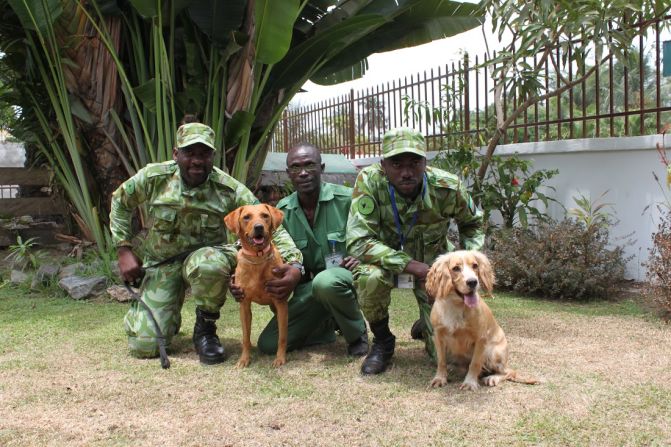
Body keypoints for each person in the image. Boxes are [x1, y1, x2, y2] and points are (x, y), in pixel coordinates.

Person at [109, 117, 303, 364]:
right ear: (176, 153)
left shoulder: (228, 188)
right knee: (145, 346)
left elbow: (264, 224)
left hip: (206, 260)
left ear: (213, 156)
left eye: (205, 153)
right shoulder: (154, 177)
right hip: (163, 262)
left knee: (208, 263)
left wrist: (295, 265)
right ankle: (160, 313)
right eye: (190, 152)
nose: (197, 160)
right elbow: (119, 201)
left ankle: (206, 329)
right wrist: (123, 249)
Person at [346, 127, 485, 375]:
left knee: (452, 360)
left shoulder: (447, 187)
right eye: (396, 163)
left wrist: (464, 268)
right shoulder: (369, 182)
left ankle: (427, 320)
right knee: (369, 278)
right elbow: (358, 241)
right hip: (387, 267)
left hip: (436, 273)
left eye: (415, 163)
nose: (407, 172)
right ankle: (383, 341)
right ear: (383, 165)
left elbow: (473, 223)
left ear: (425, 162)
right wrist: (413, 267)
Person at [232, 143, 369, 356]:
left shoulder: (348, 200)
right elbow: (253, 244)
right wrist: (239, 279)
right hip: (310, 289)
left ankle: (356, 334)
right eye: (296, 168)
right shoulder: (281, 213)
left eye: (310, 165)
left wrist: (361, 257)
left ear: (322, 168)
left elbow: (373, 235)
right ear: (288, 173)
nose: (303, 173)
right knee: (269, 345)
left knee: (327, 282)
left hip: (347, 280)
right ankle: (326, 322)